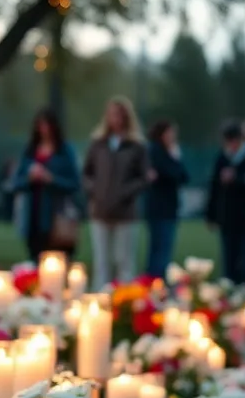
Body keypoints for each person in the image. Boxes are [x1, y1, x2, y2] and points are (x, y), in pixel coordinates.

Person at [83, 97, 150, 287]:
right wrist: (94, 191)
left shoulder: (136, 146)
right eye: (112, 114)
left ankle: (124, 302)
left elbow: (144, 177)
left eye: (119, 114)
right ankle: (99, 301)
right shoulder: (98, 143)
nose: (116, 119)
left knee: (124, 262)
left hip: (125, 211)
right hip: (100, 209)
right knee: (101, 261)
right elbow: (87, 173)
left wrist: (125, 192)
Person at [9, 107, 81, 261]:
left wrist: (51, 179)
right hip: (33, 215)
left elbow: (74, 183)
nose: (44, 130)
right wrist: (30, 178)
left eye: (47, 125)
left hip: (57, 216)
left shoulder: (65, 151)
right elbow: (15, 183)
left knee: (58, 259)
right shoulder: (29, 152)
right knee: (35, 257)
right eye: (40, 125)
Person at [205, 121, 245, 287]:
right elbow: (214, 187)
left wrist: (236, 179)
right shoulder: (222, 157)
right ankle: (230, 285)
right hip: (227, 216)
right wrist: (211, 214)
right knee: (229, 254)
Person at [143, 120, 189, 278]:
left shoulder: (168, 152)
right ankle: (156, 281)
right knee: (160, 248)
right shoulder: (157, 151)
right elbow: (174, 173)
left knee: (160, 247)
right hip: (160, 208)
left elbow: (183, 176)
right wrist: (174, 160)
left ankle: (155, 280)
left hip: (167, 207)